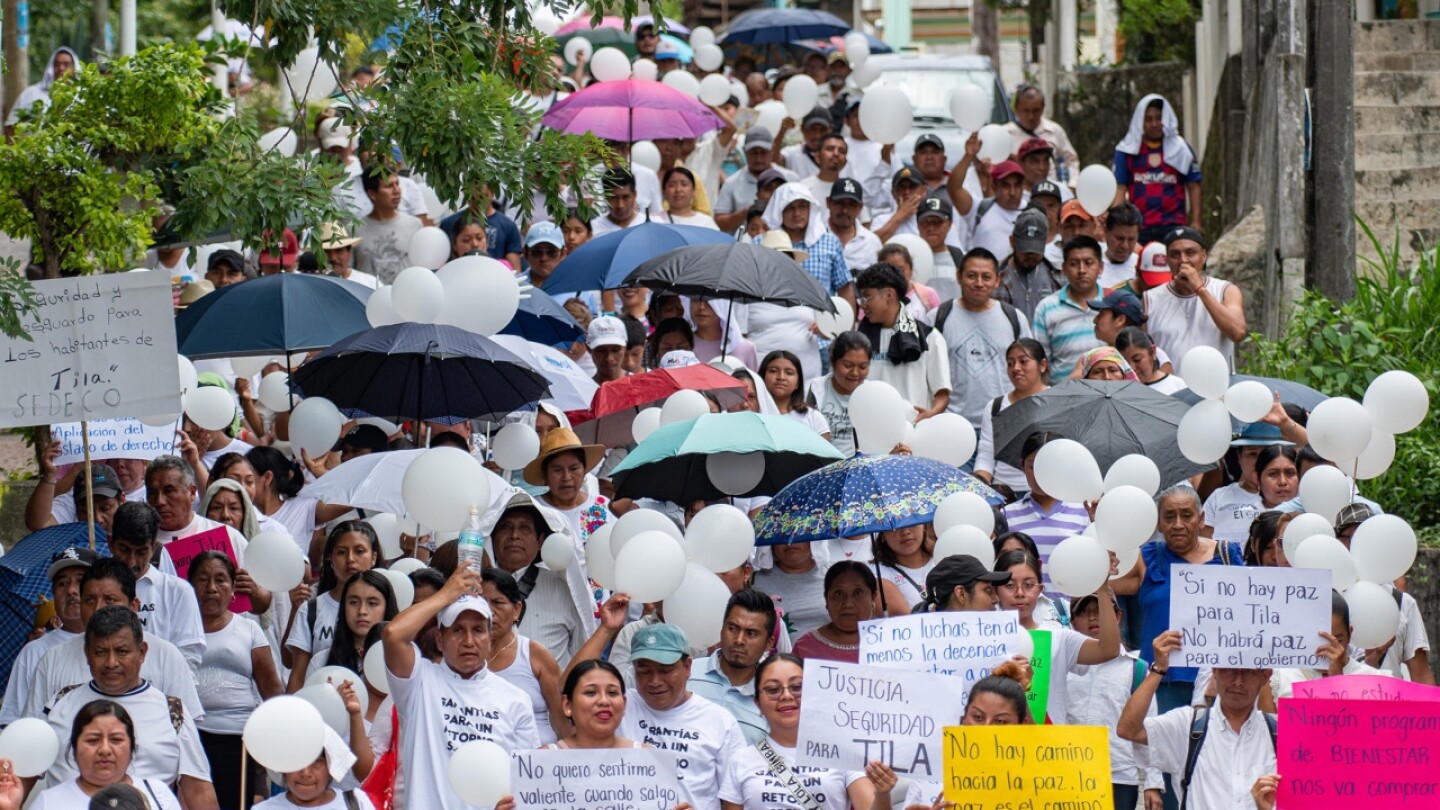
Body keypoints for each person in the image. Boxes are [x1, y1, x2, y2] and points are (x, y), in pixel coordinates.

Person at [382, 565, 538, 809]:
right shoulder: (420, 681)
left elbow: (525, 783)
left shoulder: (516, 699)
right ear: (439, 640)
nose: (468, 641)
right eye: (457, 630)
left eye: (477, 630)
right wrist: (446, 594)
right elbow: (392, 634)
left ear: (489, 638)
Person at [41, 608, 215, 807]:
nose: (111, 662)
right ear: (87, 654)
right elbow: (21, 778)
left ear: (141, 652)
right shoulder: (60, 703)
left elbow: (199, 793)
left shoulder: (172, 712)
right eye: (101, 652)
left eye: (122, 651)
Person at [1111, 485, 1246, 719]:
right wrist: (1102, 536)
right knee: (1165, 751)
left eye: (1186, 515)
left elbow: (1248, 614)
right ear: (1158, 524)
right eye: (1169, 517)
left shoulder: (1226, 555)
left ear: (1201, 519)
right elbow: (1102, 582)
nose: (1178, 525)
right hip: (1161, 681)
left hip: (1219, 681)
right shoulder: (1146, 558)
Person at [27, 559, 203, 724]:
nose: (98, 609)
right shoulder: (53, 660)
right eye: (89, 600)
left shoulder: (166, 655)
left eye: (109, 600)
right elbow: (35, 729)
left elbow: (184, 728)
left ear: (133, 606)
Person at [1119, 629, 1275, 810]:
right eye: (1230, 669)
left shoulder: (1282, 733)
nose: (1238, 681)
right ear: (1215, 671)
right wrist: (1158, 669)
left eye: (1248, 671)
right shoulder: (1186, 725)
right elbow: (1127, 729)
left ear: (1265, 676)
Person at [603, 618, 747, 810]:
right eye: (644, 671)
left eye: (665, 671)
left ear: (687, 667)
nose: (655, 681)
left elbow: (737, 800)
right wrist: (606, 629)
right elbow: (566, 700)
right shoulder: (617, 707)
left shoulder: (720, 722)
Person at [719, 654, 896, 810]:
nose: (786, 696)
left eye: (797, 687)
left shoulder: (842, 753)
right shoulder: (740, 760)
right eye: (773, 689)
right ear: (757, 703)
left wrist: (882, 793)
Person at [188, 551, 281, 810]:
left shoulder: (249, 630)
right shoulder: (179, 631)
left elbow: (272, 689)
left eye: (220, 580)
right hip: (191, 738)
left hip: (238, 739)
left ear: (232, 590)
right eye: (202, 579)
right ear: (190, 586)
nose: (211, 588)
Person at [993, 550, 1120, 723]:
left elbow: (1109, 649)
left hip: (1047, 745)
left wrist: (1103, 588)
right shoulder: (983, 641)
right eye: (1010, 585)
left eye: (1029, 585)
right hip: (993, 741)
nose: (1020, 593)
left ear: (1040, 590)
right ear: (995, 591)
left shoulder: (1059, 637)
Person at [1065, 593, 1164, 810]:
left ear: (1117, 616)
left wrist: (1152, 782)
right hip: (1069, 773)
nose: (1093, 618)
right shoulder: (1064, 668)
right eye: (1083, 612)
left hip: (1119, 776)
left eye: (1100, 610)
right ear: (1072, 622)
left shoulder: (1136, 669)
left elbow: (1151, 727)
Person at [927, 248, 1029, 451]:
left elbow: (1029, 371)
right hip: (951, 426)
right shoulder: (936, 317)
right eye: (971, 276)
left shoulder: (1014, 318)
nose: (979, 283)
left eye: (986, 277)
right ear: (959, 277)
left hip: (1002, 424)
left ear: (997, 280)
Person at [482, 492, 595, 668]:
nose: (514, 535)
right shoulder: (476, 587)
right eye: (506, 527)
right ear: (493, 537)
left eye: (525, 528)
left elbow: (582, 651)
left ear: (541, 541)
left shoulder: (564, 588)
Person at [1333, 503, 1435, 684]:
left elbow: (1420, 674)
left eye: (1365, 537)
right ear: (1338, 543)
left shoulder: (1403, 603)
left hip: (1389, 709)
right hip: (1337, 708)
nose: (1357, 544)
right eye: (1349, 537)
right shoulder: (1326, 602)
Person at [0, 548, 96, 727]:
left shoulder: (121, 645)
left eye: (81, 581)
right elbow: (11, 720)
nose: (71, 590)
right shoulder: (34, 652)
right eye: (62, 584)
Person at [26, 701, 183, 810]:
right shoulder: (49, 803)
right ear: (74, 749)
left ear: (131, 748)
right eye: (93, 740)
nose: (105, 750)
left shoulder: (157, 794)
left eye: (116, 739)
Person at [107, 503, 207, 673]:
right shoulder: (95, 590)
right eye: (124, 550)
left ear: (154, 548)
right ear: (110, 543)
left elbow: (188, 659)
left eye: (141, 552)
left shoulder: (178, 592)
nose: (131, 562)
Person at [286, 521, 382, 691]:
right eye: (341, 552)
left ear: (373, 557)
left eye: (359, 551)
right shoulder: (312, 610)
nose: (350, 559)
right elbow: (297, 674)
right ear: (330, 558)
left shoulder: (386, 605)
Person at [854, 263, 951, 421]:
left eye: (867, 296)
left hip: (912, 431)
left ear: (889, 295)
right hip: (868, 430)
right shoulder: (858, 338)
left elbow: (942, 393)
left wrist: (930, 414)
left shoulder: (929, 337)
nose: (863, 304)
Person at [481, 569, 567, 744]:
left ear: (516, 610)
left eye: (498, 602)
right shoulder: (461, 655)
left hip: (534, 763)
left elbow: (562, 721)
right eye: (482, 602)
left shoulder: (534, 654)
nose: (489, 611)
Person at [1144, 226, 1248, 370]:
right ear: (1167, 260)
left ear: (1203, 256)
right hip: (1171, 390)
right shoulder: (1150, 298)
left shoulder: (1226, 290)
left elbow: (1238, 332)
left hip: (1217, 388)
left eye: (1190, 253)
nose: (1183, 260)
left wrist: (1199, 289)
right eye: (1175, 255)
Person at [1001, 432, 1091, 592]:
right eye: (1033, 466)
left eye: (1050, 466)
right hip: (1023, 610)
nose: (1041, 474)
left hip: (1071, 611)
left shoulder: (1084, 512)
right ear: (1022, 465)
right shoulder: (1007, 514)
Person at [687, 590, 778, 744]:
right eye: (733, 628)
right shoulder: (686, 674)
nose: (739, 640)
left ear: (768, 643)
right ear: (721, 629)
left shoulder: (773, 700)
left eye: (751, 633)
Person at [1112, 94, 1203, 241]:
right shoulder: (1126, 150)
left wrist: (1196, 222)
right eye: (1148, 119)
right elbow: (1120, 189)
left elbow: (1194, 186)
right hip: (1139, 228)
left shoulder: (1181, 149)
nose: (1154, 124)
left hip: (1174, 226)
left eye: (1159, 118)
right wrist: (1118, 225)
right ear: (1140, 121)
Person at [974, 339, 1051, 493]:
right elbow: (986, 454)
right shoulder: (995, 407)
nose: (1016, 368)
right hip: (1005, 493)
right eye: (1010, 363)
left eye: (1023, 361)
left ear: (1042, 365)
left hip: (1047, 492)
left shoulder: (1058, 401)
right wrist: (979, 486)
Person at [524, 428, 613, 551]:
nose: (566, 477)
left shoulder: (601, 506)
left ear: (584, 470)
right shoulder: (534, 510)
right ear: (546, 475)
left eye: (574, 468)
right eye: (557, 470)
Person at [145, 456, 248, 564]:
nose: (159, 501)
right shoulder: (137, 542)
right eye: (152, 492)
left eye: (169, 491)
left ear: (192, 492)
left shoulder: (229, 538)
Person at [1032, 235, 1105, 379]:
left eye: (1088, 262)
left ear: (1100, 267)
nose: (1082, 270)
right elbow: (1041, 364)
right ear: (1064, 268)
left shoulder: (1113, 305)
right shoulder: (1046, 308)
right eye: (1074, 263)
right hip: (1063, 397)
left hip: (1107, 396)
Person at [1201, 424, 1290, 543]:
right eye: (1252, 454)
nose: (1259, 461)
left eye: (1268, 454)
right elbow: (1204, 546)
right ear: (1239, 457)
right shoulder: (1218, 498)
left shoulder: (1291, 497)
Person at [792, 561, 879, 664]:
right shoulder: (805, 647)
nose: (848, 604)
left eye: (858, 593)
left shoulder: (893, 643)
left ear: (873, 596)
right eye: (838, 594)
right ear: (826, 599)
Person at [715, 128, 796, 233]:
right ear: (744, 151)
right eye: (754, 153)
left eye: (763, 152)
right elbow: (719, 222)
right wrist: (745, 213)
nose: (758, 158)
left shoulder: (791, 179)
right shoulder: (731, 183)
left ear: (773, 149)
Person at [546, 659, 640, 750]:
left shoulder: (648, 757)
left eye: (612, 693)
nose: (604, 701)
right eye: (590, 692)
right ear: (567, 705)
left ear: (624, 704)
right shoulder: (543, 760)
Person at [254, 739, 374, 810]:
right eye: (297, 761)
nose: (306, 773)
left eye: (316, 762)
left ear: (330, 768)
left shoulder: (356, 803)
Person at [805, 332, 871, 457]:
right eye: (848, 365)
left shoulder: (873, 393)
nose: (855, 373)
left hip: (862, 467)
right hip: (825, 466)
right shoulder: (818, 389)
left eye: (862, 367)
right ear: (833, 361)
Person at [353, 168, 422, 285]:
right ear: (372, 194)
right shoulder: (355, 230)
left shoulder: (414, 225)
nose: (397, 191)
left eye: (397, 184)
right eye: (389, 186)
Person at [994, 208, 1064, 320]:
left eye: (1036, 250)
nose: (1030, 255)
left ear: (1045, 242)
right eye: (1025, 249)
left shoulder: (1058, 277)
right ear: (1012, 241)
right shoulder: (994, 277)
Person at [1003, 85, 1080, 182]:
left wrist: (1072, 185)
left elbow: (1072, 161)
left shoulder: (1054, 131)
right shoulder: (1005, 134)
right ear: (1016, 109)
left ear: (1043, 108)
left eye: (1036, 111)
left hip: (1051, 193)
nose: (1031, 116)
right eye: (1026, 111)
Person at [754, 544, 828, 638]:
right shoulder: (754, 581)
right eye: (782, 534)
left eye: (798, 533)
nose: (789, 543)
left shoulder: (836, 576)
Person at [760, 350, 831, 439]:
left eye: (789, 373)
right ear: (761, 377)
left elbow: (826, 452)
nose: (781, 377)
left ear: (798, 383)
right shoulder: (753, 415)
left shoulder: (813, 417)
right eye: (773, 371)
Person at [969, 161, 1029, 262]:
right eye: (1006, 186)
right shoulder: (979, 208)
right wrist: (968, 156)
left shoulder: (1033, 212)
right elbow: (954, 189)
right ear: (994, 186)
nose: (1012, 192)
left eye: (1017, 185)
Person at [5, 47, 79, 128]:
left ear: (75, 68)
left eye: (66, 65)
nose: (61, 68)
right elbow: (10, 127)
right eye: (57, 64)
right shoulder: (31, 93)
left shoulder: (81, 97)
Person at [872, 524, 936, 610]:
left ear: (924, 526)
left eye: (911, 522)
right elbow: (904, 620)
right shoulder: (877, 573)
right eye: (894, 526)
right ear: (882, 535)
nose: (905, 532)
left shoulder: (943, 556)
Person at [825, 178, 881, 272]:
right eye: (839, 203)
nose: (845, 210)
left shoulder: (871, 242)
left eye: (852, 205)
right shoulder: (814, 236)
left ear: (861, 208)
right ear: (828, 202)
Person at [1115, 327, 1186, 394]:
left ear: (1153, 352)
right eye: (1125, 363)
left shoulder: (1178, 387)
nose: (1132, 368)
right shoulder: (1120, 393)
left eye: (1137, 360)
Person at [690, 298, 758, 368]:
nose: (701, 307)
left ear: (723, 305)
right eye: (696, 300)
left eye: (709, 301)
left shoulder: (745, 348)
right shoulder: (682, 344)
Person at [775, 108, 836, 180]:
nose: (817, 135)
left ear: (830, 130)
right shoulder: (792, 154)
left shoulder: (839, 156)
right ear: (802, 129)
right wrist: (782, 132)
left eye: (822, 130)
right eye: (812, 129)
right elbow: (774, 162)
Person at [319, 222, 378, 289]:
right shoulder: (315, 285)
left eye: (339, 251)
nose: (333, 258)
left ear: (349, 253)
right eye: (327, 252)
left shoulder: (370, 284)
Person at [591, 168, 645, 237]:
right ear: (605, 197)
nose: (620, 205)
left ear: (635, 195)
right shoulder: (594, 230)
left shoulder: (648, 226)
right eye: (614, 198)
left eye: (625, 197)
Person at [1101, 203, 1144, 291]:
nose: (1125, 246)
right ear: (1106, 231)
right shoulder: (1088, 264)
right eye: (1119, 238)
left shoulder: (1142, 268)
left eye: (1131, 239)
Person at [587, 315, 630, 385]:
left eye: (615, 350)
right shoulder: (586, 390)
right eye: (601, 350)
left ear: (625, 347)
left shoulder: (639, 386)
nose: (609, 358)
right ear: (589, 348)